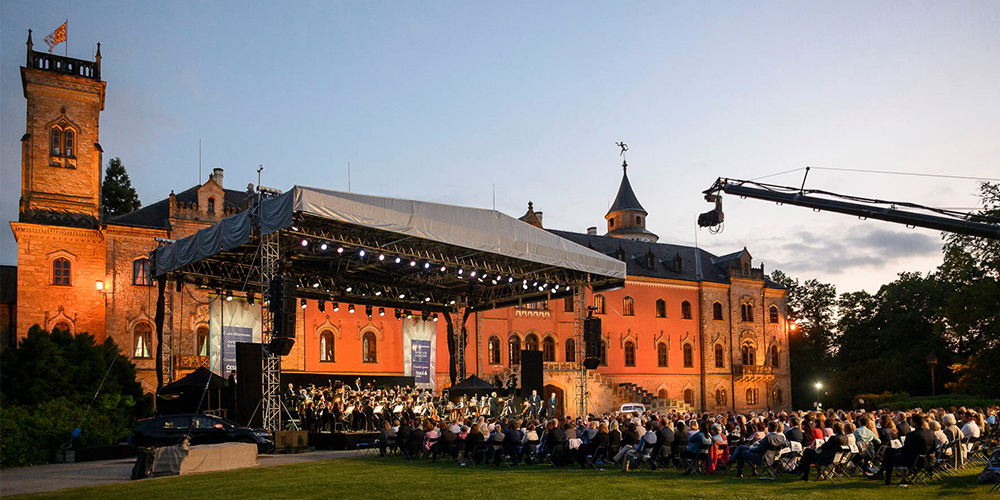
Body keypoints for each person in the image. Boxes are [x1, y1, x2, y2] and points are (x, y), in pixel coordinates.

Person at [869, 413, 935, 485]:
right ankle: (881, 473)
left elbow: (905, 450)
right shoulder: (930, 432)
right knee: (889, 451)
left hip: (913, 460)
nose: (910, 422)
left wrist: (897, 450)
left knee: (889, 455)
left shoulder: (912, 435)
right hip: (926, 459)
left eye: (912, 421)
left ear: (915, 423)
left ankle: (885, 477)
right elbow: (933, 448)